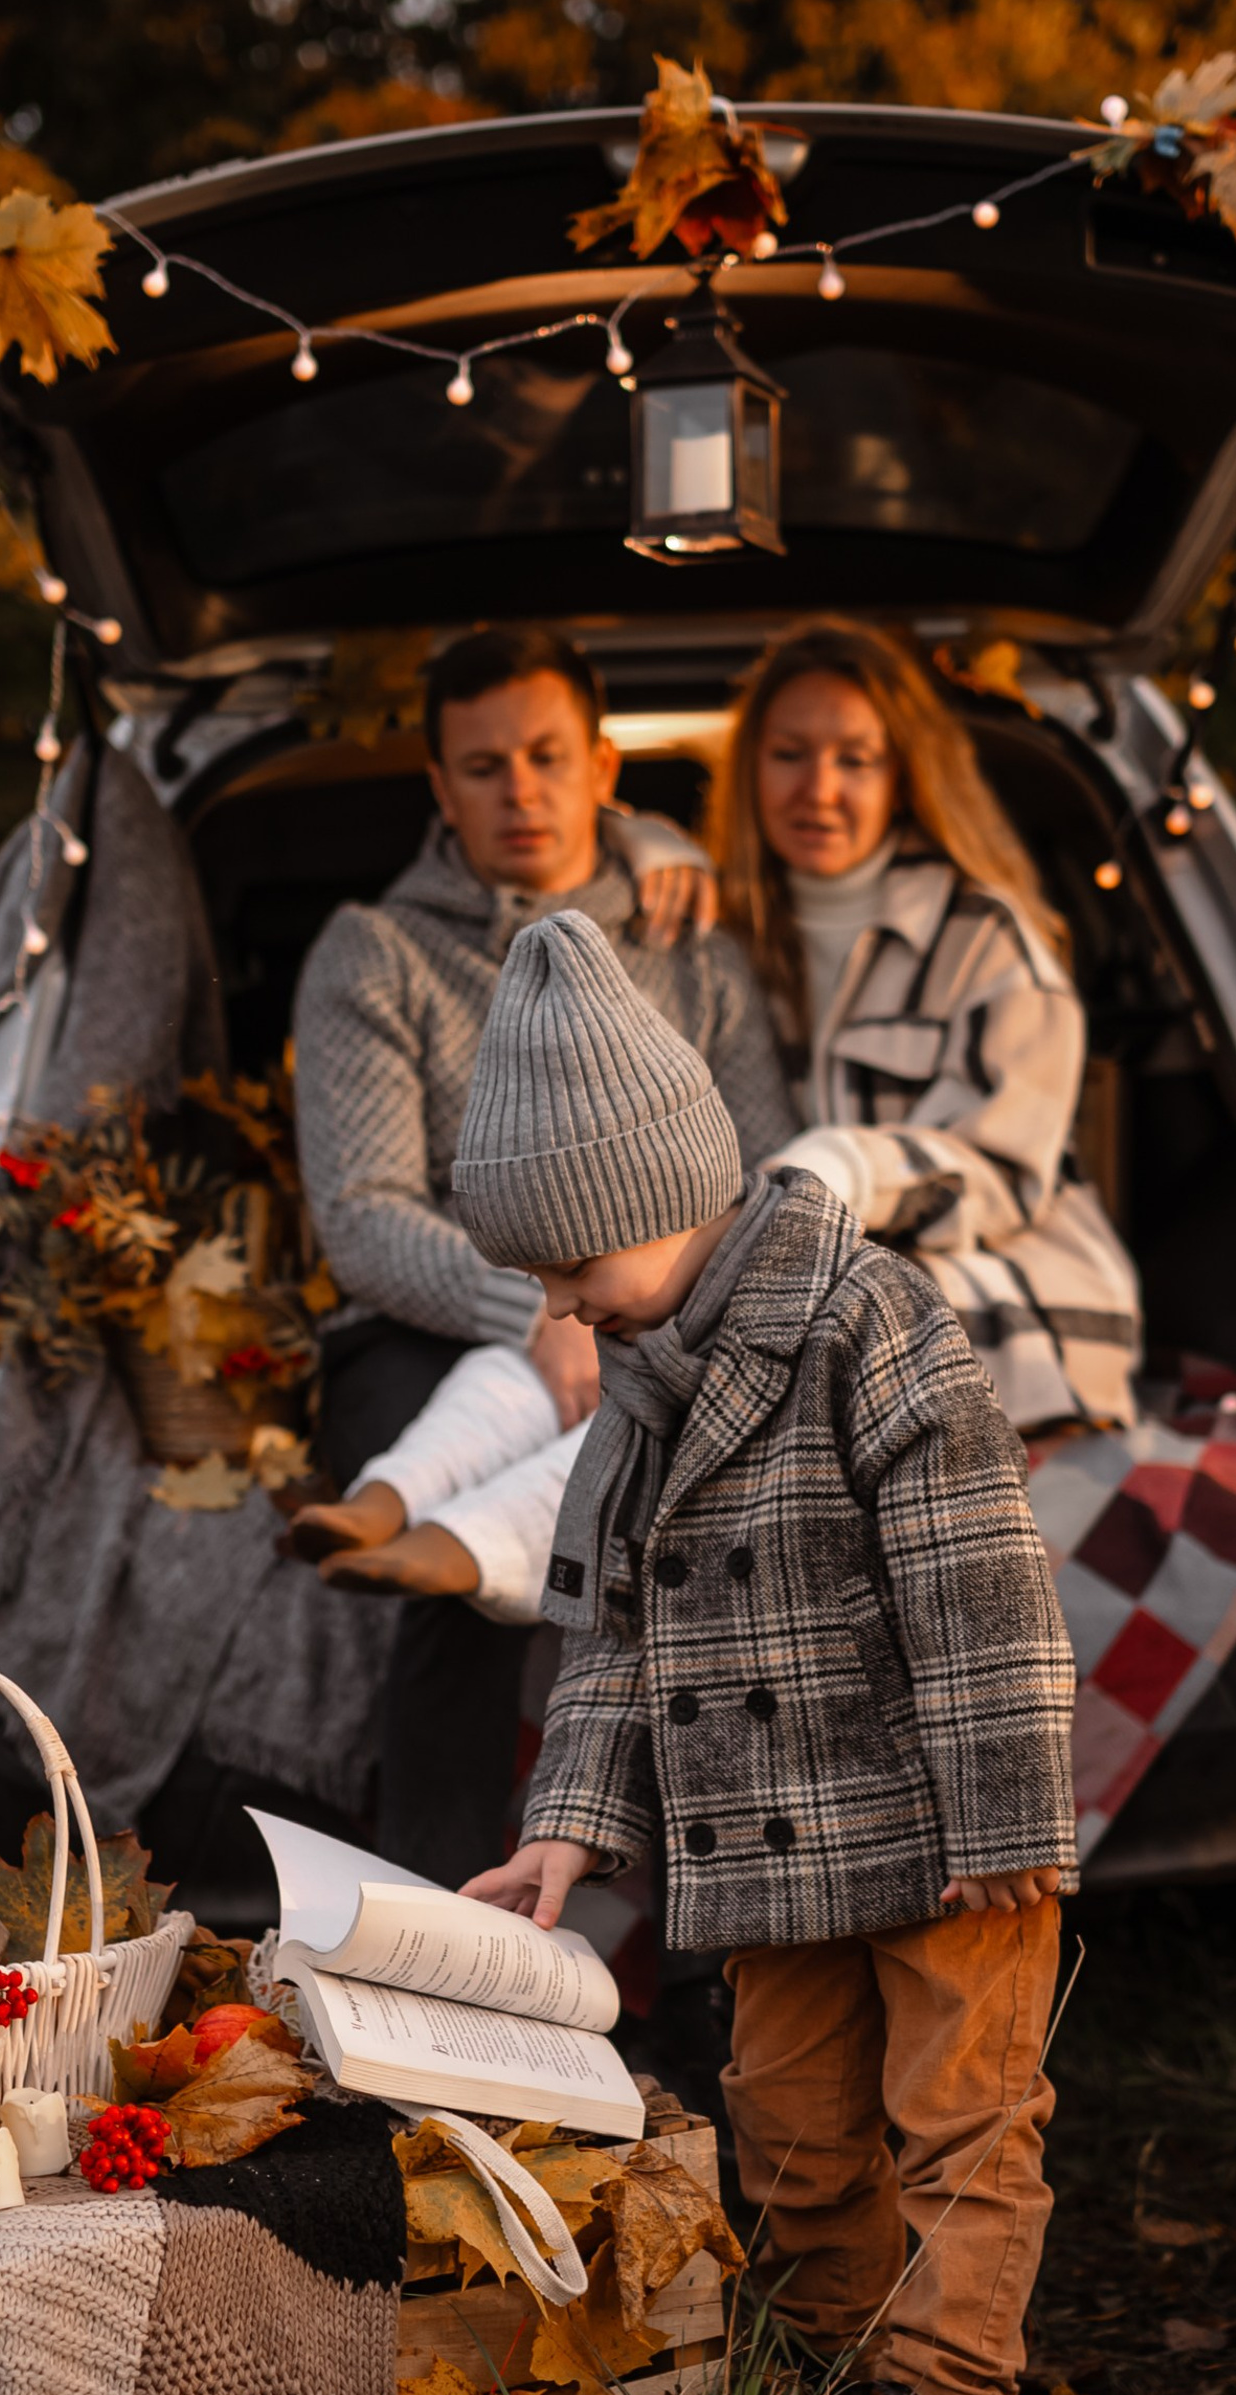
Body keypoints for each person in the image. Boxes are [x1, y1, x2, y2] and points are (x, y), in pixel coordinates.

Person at [448, 908, 1076, 2395]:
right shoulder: (642, 1404)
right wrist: (566, 1830)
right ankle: (849, 2362)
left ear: (655, 1202)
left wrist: (1004, 1817)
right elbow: (612, 1643)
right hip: (772, 1848)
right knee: (788, 2128)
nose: (572, 1316)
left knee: (963, 2118)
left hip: (945, 1831)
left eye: (577, 1273)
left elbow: (979, 1581)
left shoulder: (868, 1326)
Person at [299, 614, 1139, 1621]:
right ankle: (398, 1499)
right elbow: (365, 1210)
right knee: (620, 1332)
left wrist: (827, 1172)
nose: (816, 787)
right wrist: (550, 1300)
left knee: (718, 1338)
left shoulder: (947, 937)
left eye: (854, 759)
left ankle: (483, 1538)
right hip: (738, 1244)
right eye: (785, 756)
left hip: (954, 1264)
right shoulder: (729, 908)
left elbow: (975, 1166)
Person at [290, 625, 793, 1884]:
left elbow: (762, 1169)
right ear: (440, 787)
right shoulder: (375, 950)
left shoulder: (690, 950)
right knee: (441, 1599)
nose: (518, 789)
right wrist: (534, 1305)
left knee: (708, 1510)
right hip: (432, 1316)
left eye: (544, 756)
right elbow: (360, 1214)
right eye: (483, 765)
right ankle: (431, 1947)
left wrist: (647, 1304)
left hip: (672, 1301)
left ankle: (704, 1954)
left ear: (602, 767)